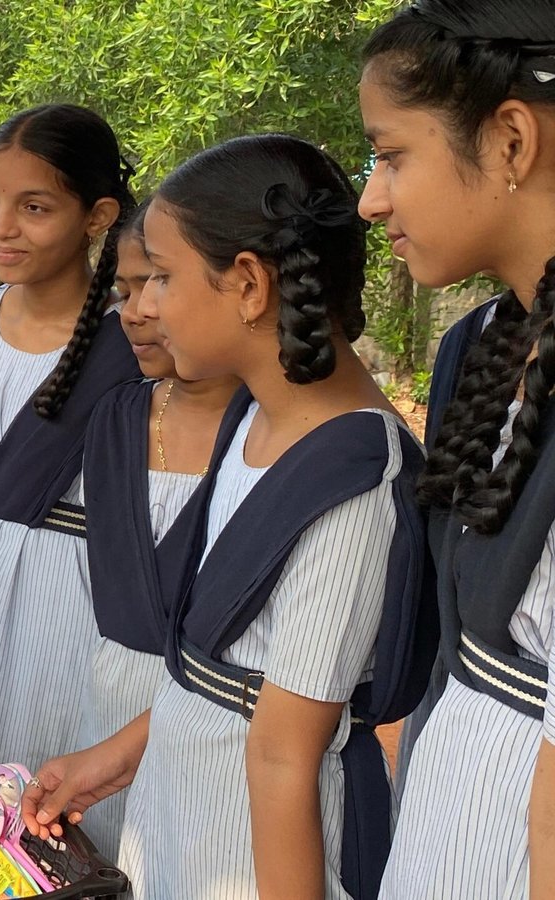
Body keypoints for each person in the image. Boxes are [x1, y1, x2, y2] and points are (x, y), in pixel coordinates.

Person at [22, 134, 433, 900]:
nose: (143, 306)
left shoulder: (352, 478)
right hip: (184, 818)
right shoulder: (253, 422)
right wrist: (118, 755)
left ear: (247, 284)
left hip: (259, 856)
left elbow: (286, 755)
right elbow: (228, 668)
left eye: (162, 277)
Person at [353, 2, 555, 895]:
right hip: (448, 813)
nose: (371, 199)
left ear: (511, 140)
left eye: (392, 155)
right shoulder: (480, 346)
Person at [0, 104, 141, 767]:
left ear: (97, 216)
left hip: (77, 605)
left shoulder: (136, 344)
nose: (0, 227)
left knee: (52, 790)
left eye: (34, 208)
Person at [69, 201, 240, 856]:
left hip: (218, 734)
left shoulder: (269, 438)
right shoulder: (116, 418)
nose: (135, 312)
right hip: (104, 715)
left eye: (157, 284)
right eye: (123, 290)